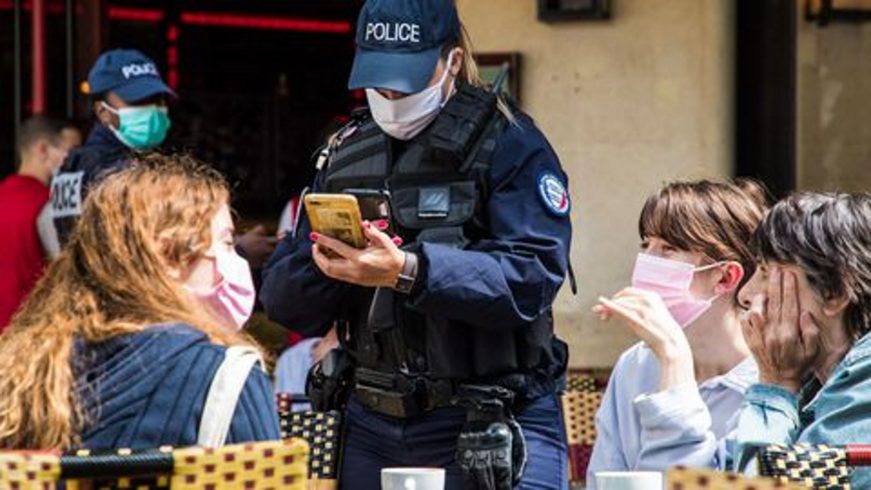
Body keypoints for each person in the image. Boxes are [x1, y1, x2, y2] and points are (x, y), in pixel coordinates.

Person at [261, 1, 572, 488]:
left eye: (405, 80)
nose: (389, 94)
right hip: (369, 419)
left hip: (486, 420)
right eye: (377, 79)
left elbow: (532, 279)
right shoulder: (345, 151)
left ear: (450, 62)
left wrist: (408, 270)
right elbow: (285, 304)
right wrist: (324, 263)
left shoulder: (510, 143)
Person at [0, 154, 279, 449]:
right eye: (225, 242)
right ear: (168, 255)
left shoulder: (28, 371)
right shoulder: (227, 378)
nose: (235, 260)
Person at [587, 180, 767, 485]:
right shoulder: (635, 365)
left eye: (669, 249)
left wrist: (673, 356)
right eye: (646, 245)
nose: (647, 261)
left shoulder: (772, 378)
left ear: (725, 277)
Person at [48, 48, 276, 267]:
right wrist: (237, 252)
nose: (154, 109)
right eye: (137, 101)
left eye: (158, 100)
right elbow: (150, 260)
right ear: (102, 110)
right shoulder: (120, 174)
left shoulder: (71, 167)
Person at [734, 192, 871, 487]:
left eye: (766, 272)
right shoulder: (818, 384)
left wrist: (775, 383)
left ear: (834, 292)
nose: (745, 294)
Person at [0, 116, 76, 331]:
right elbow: (65, 271)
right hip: (32, 333)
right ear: (43, 150)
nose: (72, 160)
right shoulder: (48, 205)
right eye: (69, 151)